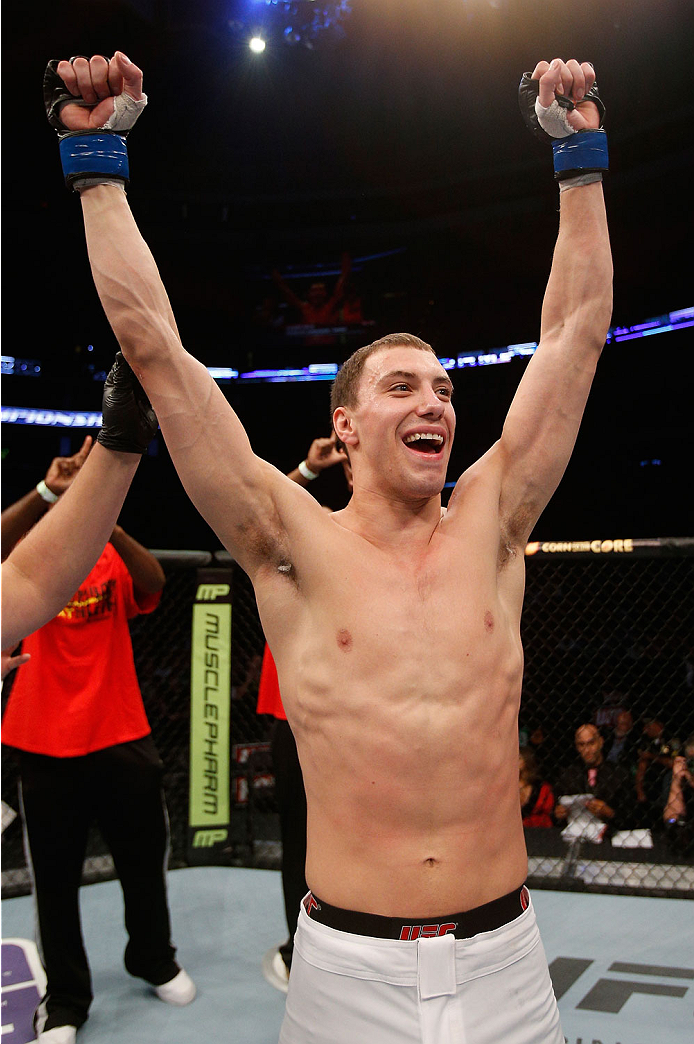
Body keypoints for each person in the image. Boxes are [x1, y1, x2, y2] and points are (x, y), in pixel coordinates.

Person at [48, 50, 612, 1044]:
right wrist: (97, 163)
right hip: (348, 972)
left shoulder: (491, 524)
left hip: (506, 963)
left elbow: (573, 330)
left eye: (442, 387)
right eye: (401, 388)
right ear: (343, 428)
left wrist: (580, 161)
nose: (434, 400)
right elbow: (157, 354)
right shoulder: (287, 543)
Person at [1, 364, 195, 1044]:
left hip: (120, 732)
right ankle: (67, 1003)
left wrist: (101, 514)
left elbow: (155, 581)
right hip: (44, 739)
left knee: (144, 864)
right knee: (53, 884)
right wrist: (48, 494)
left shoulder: (110, 555)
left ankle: (154, 958)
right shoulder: (36, 552)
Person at [1, 356, 155, 653]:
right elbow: (25, 579)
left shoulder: (109, 556)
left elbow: (154, 583)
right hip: (36, 698)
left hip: (109, 699)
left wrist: (120, 447)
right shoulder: (27, 551)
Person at [554, 724, 630, 840]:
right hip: (573, 835)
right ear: (576, 747)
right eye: (581, 745)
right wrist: (558, 813)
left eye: (591, 743)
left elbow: (631, 814)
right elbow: (555, 808)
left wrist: (609, 813)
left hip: (610, 835)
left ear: (600, 742)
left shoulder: (619, 774)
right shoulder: (568, 775)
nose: (587, 750)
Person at [519, 747, 555, 828]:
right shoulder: (504, 787)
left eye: (518, 758)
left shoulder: (542, 788)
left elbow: (548, 812)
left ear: (526, 760)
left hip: (538, 830)